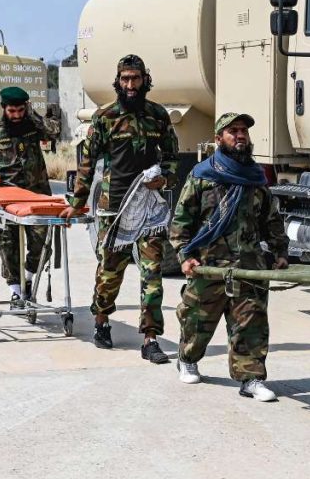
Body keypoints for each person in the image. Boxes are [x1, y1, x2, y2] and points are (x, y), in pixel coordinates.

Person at [59, 55, 178, 362]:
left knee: (152, 275)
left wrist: (165, 178)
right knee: (110, 272)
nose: (130, 85)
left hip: (149, 209)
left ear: (144, 79)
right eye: (124, 79)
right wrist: (77, 202)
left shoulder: (158, 116)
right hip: (113, 208)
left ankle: (150, 339)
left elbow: (173, 156)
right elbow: (87, 163)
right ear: (118, 81)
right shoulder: (105, 117)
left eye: (135, 79)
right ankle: (101, 321)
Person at [169, 113, 289, 401]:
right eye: (232, 131)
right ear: (218, 138)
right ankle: (187, 360)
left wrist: (280, 252)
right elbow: (181, 220)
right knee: (197, 320)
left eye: (244, 131)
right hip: (208, 266)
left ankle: (251, 378)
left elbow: (270, 219)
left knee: (251, 323)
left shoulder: (256, 178)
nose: (240, 135)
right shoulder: (202, 175)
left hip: (249, 266)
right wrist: (185, 256)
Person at [0, 86, 60, 304]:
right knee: (7, 244)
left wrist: (33, 116)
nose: (16, 116)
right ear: (4, 109)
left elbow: (55, 131)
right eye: (11, 111)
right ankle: (16, 290)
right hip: (7, 199)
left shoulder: (33, 126)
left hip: (37, 195)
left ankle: (30, 279)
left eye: (21, 111)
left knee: (41, 241)